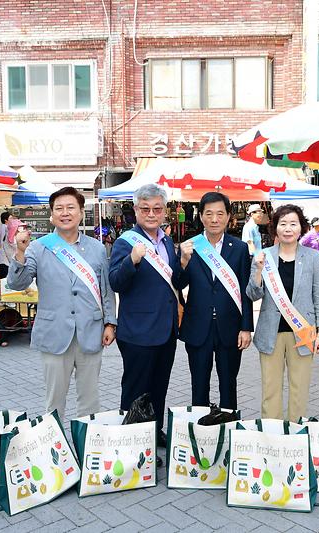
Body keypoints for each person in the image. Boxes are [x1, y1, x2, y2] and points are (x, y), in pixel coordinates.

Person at [8, 187, 117, 420]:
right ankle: (55, 451)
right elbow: (17, 284)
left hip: (91, 331)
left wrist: (110, 323)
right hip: (54, 333)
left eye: (70, 208)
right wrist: (19, 251)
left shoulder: (97, 248)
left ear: (80, 213)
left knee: (90, 401)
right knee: (54, 402)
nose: (65, 213)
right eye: (59, 208)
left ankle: (87, 447)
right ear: (51, 215)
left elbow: (106, 289)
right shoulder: (38, 247)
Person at [109, 183, 183, 448]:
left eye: (157, 209)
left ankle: (154, 429)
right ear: (136, 210)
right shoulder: (125, 242)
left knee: (159, 385)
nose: (151, 214)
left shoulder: (168, 241)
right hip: (138, 330)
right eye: (145, 209)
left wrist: (184, 263)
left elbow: (174, 281)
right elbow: (116, 282)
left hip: (166, 329)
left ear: (164, 211)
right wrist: (132, 261)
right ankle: (133, 439)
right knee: (136, 388)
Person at [247, 204, 319, 422]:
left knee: (299, 390)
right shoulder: (264, 256)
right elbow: (253, 294)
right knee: (270, 391)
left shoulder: (313, 258)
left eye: (293, 223)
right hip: (270, 333)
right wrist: (258, 271)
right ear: (275, 228)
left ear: (301, 228)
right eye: (283, 223)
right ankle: (271, 437)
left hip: (302, 333)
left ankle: (295, 437)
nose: (288, 228)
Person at [175, 192, 254, 410]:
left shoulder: (239, 248)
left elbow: (245, 289)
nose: (214, 219)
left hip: (229, 327)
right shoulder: (190, 247)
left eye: (220, 213)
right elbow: (178, 283)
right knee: (198, 386)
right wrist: (182, 261)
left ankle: (227, 430)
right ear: (200, 216)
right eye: (208, 214)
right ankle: (199, 433)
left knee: (228, 385)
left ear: (229, 216)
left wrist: (246, 327)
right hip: (198, 327)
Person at [0, 212, 16, 279]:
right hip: (4, 257)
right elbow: (0, 242)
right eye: (10, 218)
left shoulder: (7, 228)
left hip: (6, 257)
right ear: (5, 220)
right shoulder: (3, 227)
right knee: (4, 278)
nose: (12, 220)